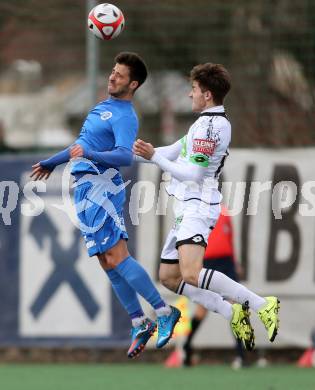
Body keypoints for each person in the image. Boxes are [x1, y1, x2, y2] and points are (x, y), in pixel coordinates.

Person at [30, 52, 181, 359]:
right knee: (105, 259)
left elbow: (124, 156)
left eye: (120, 75)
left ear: (133, 84)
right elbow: (80, 146)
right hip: (84, 188)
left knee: (116, 255)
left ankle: (164, 311)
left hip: (102, 187)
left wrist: (90, 155)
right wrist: (51, 162)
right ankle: (139, 321)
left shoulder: (125, 115)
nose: (112, 77)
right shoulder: (102, 108)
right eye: (113, 71)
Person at [133, 62, 280, 350]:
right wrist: (119, 155)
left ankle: (262, 304)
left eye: (194, 89)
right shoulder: (202, 124)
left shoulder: (213, 126)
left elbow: (193, 174)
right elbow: (167, 152)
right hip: (186, 206)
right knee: (169, 278)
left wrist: (154, 157)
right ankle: (231, 310)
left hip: (199, 205)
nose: (190, 95)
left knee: (190, 273)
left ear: (208, 94)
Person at [181, 206, 246, 368]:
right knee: (202, 309)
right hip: (208, 262)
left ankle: (241, 356)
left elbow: (229, 237)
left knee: (234, 306)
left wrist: (235, 261)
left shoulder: (224, 211)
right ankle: (186, 347)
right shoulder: (196, 210)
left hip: (227, 262)